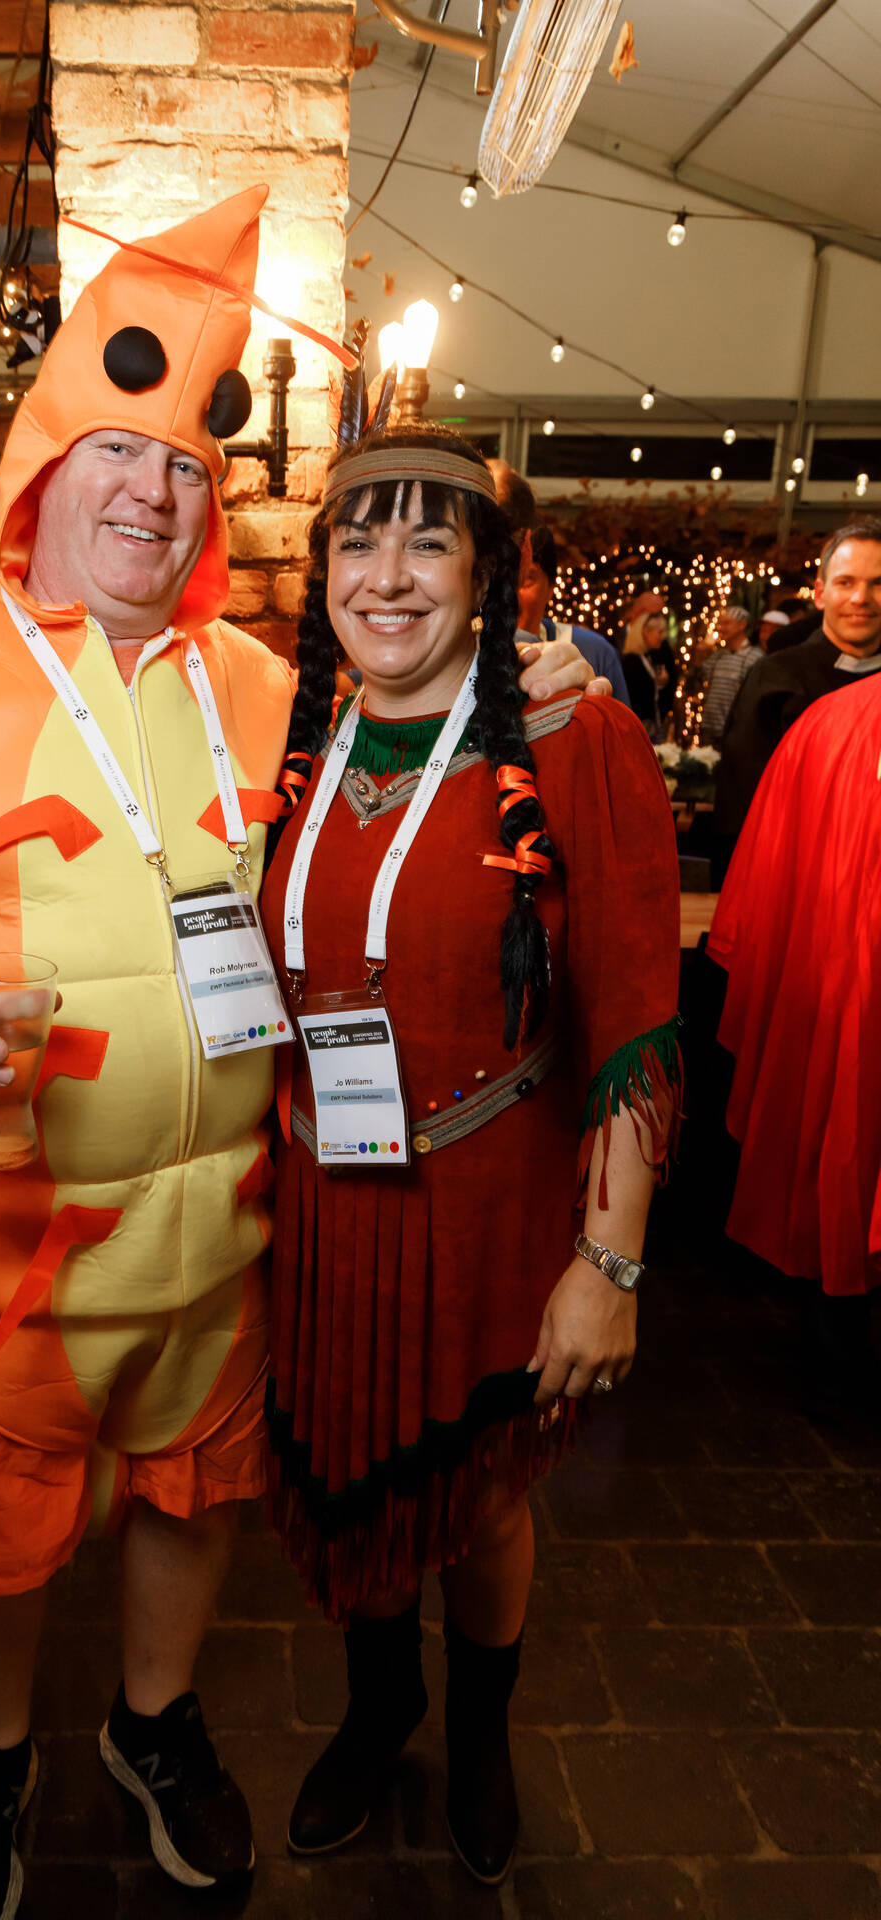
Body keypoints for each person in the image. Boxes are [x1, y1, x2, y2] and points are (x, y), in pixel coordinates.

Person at [0, 191, 601, 1920]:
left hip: (222, 1246)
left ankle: (153, 1723)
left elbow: (423, 770)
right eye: (117, 453)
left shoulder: (268, 686)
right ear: (43, 469)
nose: (152, 492)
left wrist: (537, 689)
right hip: (3, 1262)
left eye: (187, 467)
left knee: (193, 1502)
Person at [259, 422, 681, 1884]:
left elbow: (632, 1020)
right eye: (356, 541)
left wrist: (607, 1265)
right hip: (324, 1202)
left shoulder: (573, 741)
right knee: (352, 1465)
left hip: (487, 1202)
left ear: (487, 577)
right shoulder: (293, 736)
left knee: (483, 1493)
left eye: (426, 542)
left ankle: (481, 1735)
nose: (385, 577)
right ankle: (381, 1712)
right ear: (320, 571)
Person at [709, 672, 881, 1411]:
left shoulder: (827, 722)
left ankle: (837, 1341)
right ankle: (836, 1342)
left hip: (842, 988)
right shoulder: (826, 722)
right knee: (839, 1148)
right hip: (840, 988)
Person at [714, 520, 881, 862]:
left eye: (878, 584)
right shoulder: (775, 678)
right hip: (795, 867)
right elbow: (740, 803)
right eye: (845, 582)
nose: (860, 598)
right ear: (820, 594)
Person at [519, 523, 630, 706]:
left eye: (527, 579)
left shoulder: (596, 652)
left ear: (551, 587)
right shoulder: (472, 655)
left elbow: (621, 722)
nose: (510, 592)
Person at [697, 604, 759, 745]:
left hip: (735, 732)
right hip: (709, 729)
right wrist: (701, 653)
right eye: (720, 624)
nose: (721, 628)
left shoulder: (754, 657)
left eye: (727, 623)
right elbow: (700, 677)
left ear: (742, 625)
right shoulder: (718, 655)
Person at [622, 608, 676, 737]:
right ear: (646, 632)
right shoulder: (631, 662)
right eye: (660, 632)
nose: (663, 637)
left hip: (651, 727)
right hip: (638, 728)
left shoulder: (647, 657)